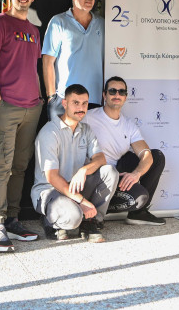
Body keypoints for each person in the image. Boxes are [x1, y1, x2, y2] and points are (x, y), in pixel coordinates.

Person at [0, 0, 44, 252]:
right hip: (6, 106)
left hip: (31, 108)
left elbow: (32, 68)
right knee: (0, 167)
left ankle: (12, 220)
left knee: (19, 167)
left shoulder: (33, 30)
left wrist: (39, 98)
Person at [31, 84, 119, 242]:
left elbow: (100, 158)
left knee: (110, 172)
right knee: (73, 217)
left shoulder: (86, 129)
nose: (81, 108)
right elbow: (52, 177)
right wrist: (82, 201)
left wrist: (83, 171)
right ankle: (50, 220)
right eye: (76, 103)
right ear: (65, 104)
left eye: (84, 103)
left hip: (74, 187)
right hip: (50, 191)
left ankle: (90, 221)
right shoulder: (49, 132)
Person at [84, 76, 166, 226]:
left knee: (157, 157)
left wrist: (136, 174)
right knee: (137, 195)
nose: (117, 95)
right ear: (104, 95)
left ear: (125, 97)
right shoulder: (88, 116)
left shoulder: (128, 124)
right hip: (95, 177)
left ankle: (138, 213)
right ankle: (94, 208)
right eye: (112, 91)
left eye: (121, 92)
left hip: (117, 175)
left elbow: (146, 154)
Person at [42, 0, 104, 122]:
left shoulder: (102, 24)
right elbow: (47, 61)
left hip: (94, 100)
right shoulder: (58, 22)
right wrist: (52, 97)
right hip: (65, 100)